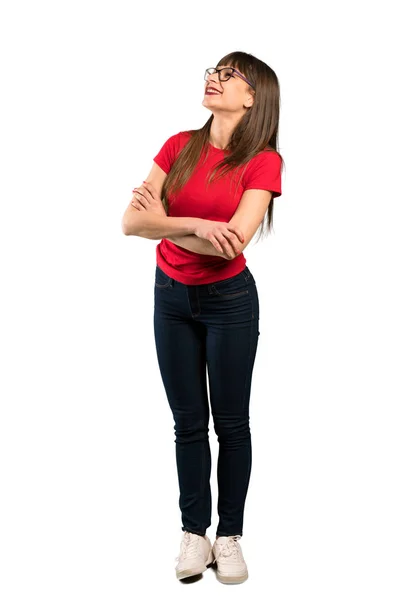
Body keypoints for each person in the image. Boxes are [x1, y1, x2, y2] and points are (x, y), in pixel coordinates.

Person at [122, 51, 284, 584]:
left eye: (229, 73)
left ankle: (229, 534)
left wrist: (161, 221)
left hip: (229, 302)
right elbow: (130, 222)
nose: (214, 77)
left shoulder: (263, 161)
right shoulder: (178, 146)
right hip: (169, 296)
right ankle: (195, 533)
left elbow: (229, 244)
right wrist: (193, 221)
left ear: (252, 96)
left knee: (231, 423)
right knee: (188, 423)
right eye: (213, 69)